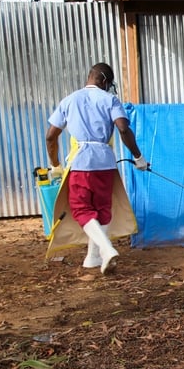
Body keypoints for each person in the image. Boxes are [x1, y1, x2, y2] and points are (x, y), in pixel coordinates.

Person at [45, 62, 148, 274]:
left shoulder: (69, 100)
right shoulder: (110, 100)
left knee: (81, 209)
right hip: (105, 163)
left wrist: (55, 164)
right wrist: (138, 157)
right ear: (103, 81)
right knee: (102, 209)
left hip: (81, 162)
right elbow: (122, 128)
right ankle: (92, 258)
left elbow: (50, 136)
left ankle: (106, 249)